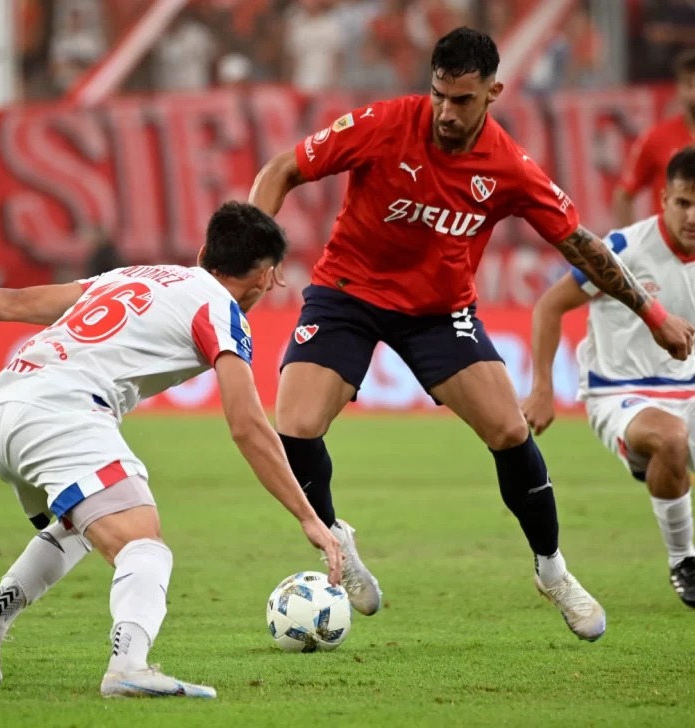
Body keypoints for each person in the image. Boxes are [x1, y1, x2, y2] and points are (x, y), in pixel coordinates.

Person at [249, 27, 694, 640]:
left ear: (493, 93)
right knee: (294, 426)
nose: (445, 113)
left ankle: (552, 570)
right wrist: (256, 251)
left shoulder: (509, 166)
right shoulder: (384, 123)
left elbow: (582, 246)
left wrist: (653, 313)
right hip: (348, 293)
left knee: (510, 430)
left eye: (461, 100)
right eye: (438, 95)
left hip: (438, 312)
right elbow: (282, 169)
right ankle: (337, 543)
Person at [0, 202, 342, 697]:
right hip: (61, 412)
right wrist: (309, 515)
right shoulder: (221, 313)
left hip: (2, 405)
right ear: (268, 277)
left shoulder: (136, 275)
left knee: (77, 528)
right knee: (143, 544)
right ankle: (129, 666)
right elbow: (248, 426)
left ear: (205, 252)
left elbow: (11, 304)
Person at [524, 147, 695, 609]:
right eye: (683, 202)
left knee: (676, 439)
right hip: (621, 394)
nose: (692, 215)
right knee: (671, 439)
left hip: (689, 390)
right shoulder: (623, 250)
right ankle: (685, 561)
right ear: (663, 200)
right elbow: (550, 305)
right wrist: (542, 387)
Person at [613, 49, 695, 227]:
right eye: (689, 84)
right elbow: (624, 195)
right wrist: (632, 245)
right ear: (679, 89)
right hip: (670, 251)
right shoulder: (656, 137)